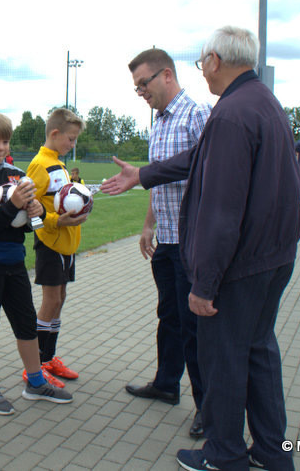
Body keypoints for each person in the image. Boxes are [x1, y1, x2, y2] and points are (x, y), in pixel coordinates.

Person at [103, 26, 300, 471]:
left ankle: (224, 453)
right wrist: (145, 175)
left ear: (214, 60)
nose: (204, 72)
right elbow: (201, 158)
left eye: (201, 63)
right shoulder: (262, 103)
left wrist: (204, 284)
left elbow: (221, 209)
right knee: (258, 350)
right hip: (273, 256)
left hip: (241, 264)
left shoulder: (230, 112)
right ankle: (272, 452)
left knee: (225, 357)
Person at [116, 48, 210, 439]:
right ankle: (166, 384)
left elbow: (206, 165)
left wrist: (144, 174)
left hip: (192, 242)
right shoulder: (158, 122)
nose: (140, 92)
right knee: (168, 317)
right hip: (166, 239)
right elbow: (159, 182)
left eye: (144, 83)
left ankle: (208, 407)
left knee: (195, 328)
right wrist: (147, 225)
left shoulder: (198, 114)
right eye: (136, 87)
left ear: (167, 75)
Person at [0, 111, 72, 416]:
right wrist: (12, 206)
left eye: (5, 141)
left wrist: (35, 210)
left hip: (15, 263)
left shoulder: (16, 173)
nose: (0, 147)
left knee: (26, 324)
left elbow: (29, 226)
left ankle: (35, 381)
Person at [26, 107, 88, 383]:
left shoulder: (59, 164)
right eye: (70, 139)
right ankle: (35, 368)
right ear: (55, 133)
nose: (73, 144)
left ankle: (49, 360)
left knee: (60, 300)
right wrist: (55, 222)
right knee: (50, 301)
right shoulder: (40, 164)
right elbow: (30, 209)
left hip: (67, 246)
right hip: (51, 244)